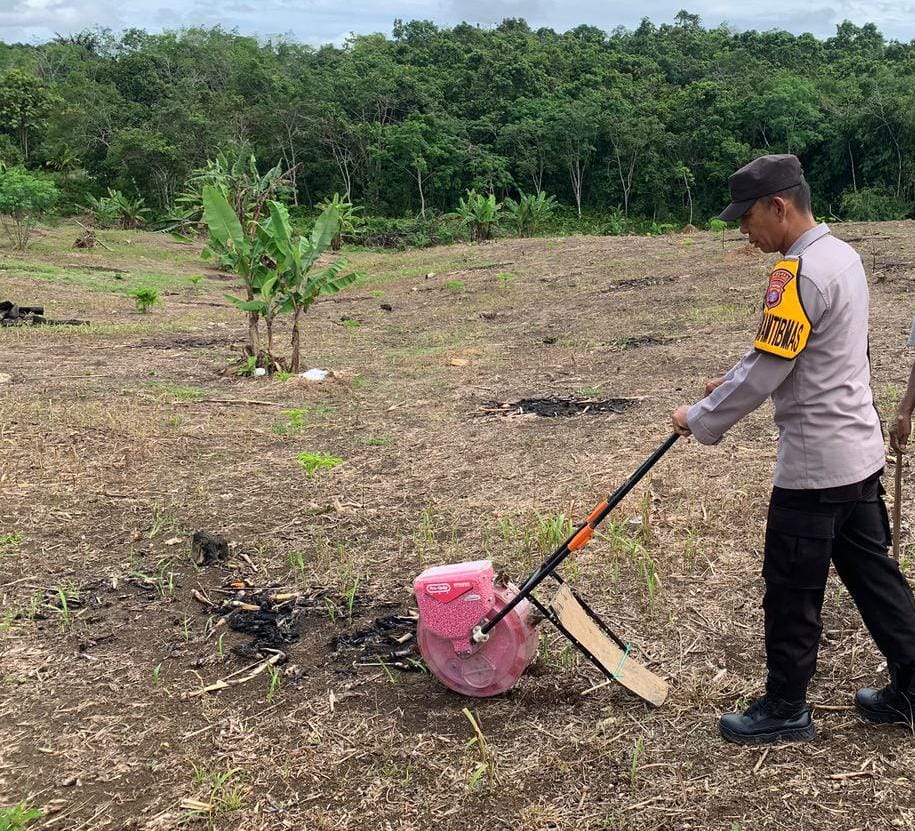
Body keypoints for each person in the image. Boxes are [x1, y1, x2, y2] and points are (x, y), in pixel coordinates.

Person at [671, 153, 915, 744]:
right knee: (875, 577)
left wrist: (700, 417)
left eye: (747, 218)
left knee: (790, 589)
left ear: (778, 207)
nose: (744, 232)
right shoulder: (843, 257)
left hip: (814, 464)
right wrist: (728, 381)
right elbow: (791, 355)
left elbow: (767, 370)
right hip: (857, 452)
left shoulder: (796, 273)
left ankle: (785, 706)